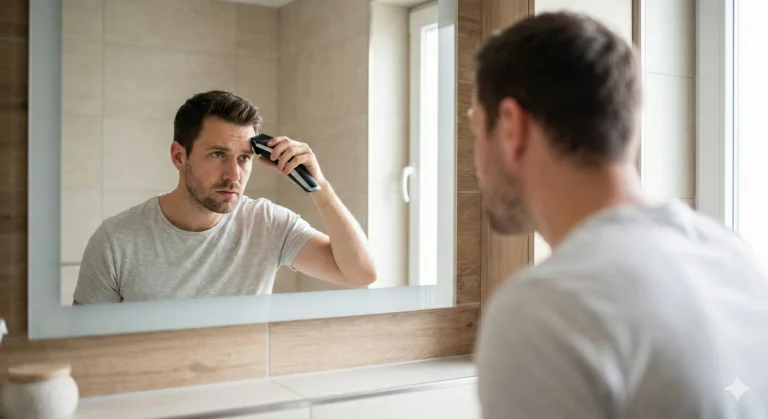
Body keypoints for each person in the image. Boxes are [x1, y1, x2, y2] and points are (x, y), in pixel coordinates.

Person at [471, 11, 768, 419]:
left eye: (475, 130)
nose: (475, 163)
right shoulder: (731, 256)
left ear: (510, 127)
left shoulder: (544, 310)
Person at [73, 90, 376, 304]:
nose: (234, 174)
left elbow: (360, 274)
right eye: (218, 154)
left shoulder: (267, 224)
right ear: (179, 156)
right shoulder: (116, 240)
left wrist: (318, 185)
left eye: (244, 158)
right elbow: (83, 346)